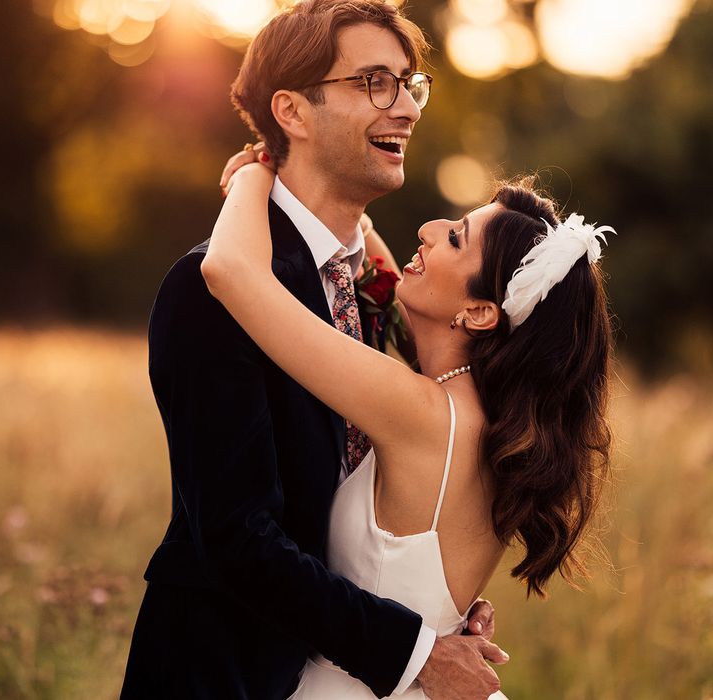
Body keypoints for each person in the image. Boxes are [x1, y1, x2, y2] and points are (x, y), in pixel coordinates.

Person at [120, 2, 508, 699]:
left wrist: (431, 599)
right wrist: (414, 651)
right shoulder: (212, 288)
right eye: (373, 83)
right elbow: (238, 540)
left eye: (409, 85)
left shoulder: (381, 289)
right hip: (226, 678)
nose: (407, 109)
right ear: (293, 112)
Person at [202, 160, 614, 698]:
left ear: (481, 312)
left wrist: (256, 171)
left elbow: (229, 272)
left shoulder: (421, 413)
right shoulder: (494, 423)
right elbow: (376, 259)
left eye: (456, 238)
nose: (427, 230)